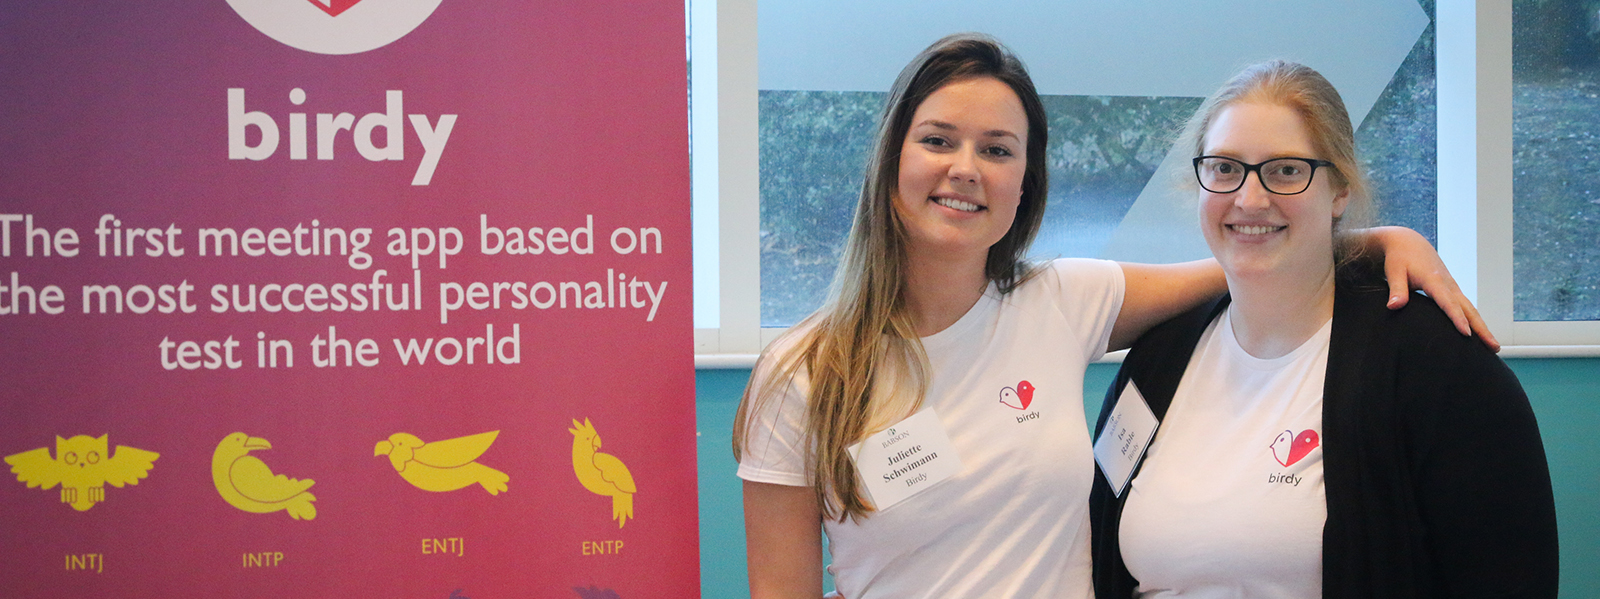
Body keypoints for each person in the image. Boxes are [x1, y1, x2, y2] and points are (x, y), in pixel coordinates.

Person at [736, 35, 1491, 599]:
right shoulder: (804, 375)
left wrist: (1375, 237)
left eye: (998, 149)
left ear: (1025, 183)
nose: (965, 167)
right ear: (892, 157)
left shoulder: (1064, 301)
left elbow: (1248, 253)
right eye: (937, 140)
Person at [1089, 60, 1558, 598]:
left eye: (1286, 170)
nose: (1249, 198)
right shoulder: (1157, 361)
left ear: (1339, 191)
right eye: (1224, 168)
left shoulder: (1437, 367)